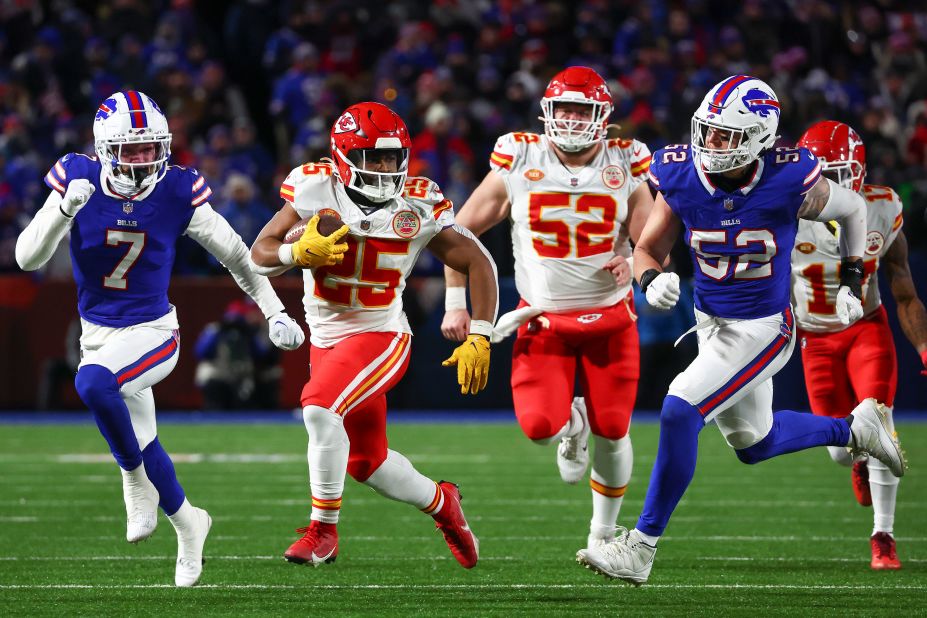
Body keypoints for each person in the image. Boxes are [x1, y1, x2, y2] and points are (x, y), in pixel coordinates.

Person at [576, 75, 907, 586]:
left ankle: (640, 547)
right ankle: (857, 429)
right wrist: (649, 278)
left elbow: (853, 208)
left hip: (764, 327)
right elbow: (647, 248)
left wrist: (853, 277)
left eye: (726, 137)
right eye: (706, 132)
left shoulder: (786, 178)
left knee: (679, 407)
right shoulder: (682, 174)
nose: (711, 145)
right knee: (755, 442)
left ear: (758, 138)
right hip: (711, 323)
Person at [14, 90, 305, 587]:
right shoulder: (78, 178)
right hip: (97, 334)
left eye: (152, 147)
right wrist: (64, 211)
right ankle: (190, 524)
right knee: (146, 442)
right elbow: (26, 258)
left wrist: (275, 311)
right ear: (106, 148)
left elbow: (238, 255)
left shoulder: (176, 190)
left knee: (92, 385)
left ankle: (131, 481)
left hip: (153, 332)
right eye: (134, 149)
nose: (146, 159)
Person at [250, 101, 498, 569]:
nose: (384, 168)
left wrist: (481, 333)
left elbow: (476, 259)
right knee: (368, 463)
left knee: (320, 407)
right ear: (344, 156)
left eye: (391, 157)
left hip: (381, 333)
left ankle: (322, 531)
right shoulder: (314, 187)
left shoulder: (418, 202)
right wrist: (294, 250)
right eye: (372, 157)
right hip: (326, 339)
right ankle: (444, 503)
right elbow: (259, 251)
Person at [441, 66, 656, 556]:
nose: (574, 120)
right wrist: (457, 302)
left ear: (603, 115)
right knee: (539, 427)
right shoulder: (519, 156)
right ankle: (570, 425)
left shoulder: (626, 161)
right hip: (542, 317)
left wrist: (636, 259)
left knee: (615, 430)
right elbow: (457, 234)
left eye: (583, 110)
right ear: (548, 112)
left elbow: (652, 237)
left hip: (610, 319)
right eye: (566, 109)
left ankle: (602, 536)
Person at [792, 120, 927, 570]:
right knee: (837, 449)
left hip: (866, 329)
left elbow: (904, 289)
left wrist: (924, 346)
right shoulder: (782, 214)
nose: (829, 183)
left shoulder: (882, 208)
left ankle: (883, 537)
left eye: (838, 171)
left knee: (881, 425)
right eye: (820, 172)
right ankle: (856, 458)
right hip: (815, 338)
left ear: (859, 171)